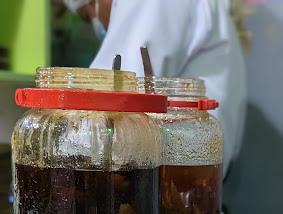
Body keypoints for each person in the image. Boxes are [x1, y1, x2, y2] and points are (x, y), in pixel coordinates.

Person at [63, 0, 247, 178]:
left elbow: (104, 118)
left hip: (179, 181)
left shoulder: (149, 3)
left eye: (88, 16)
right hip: (193, 174)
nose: (98, 26)